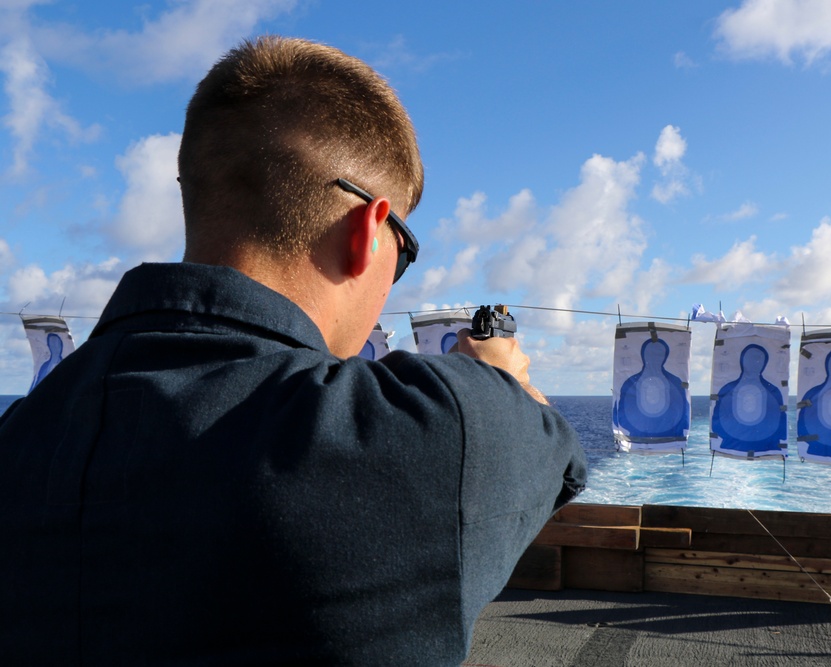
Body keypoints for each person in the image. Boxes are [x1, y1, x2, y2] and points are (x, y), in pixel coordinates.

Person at [0, 36, 587, 666]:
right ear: (367, 231)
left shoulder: (19, 436)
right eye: (405, 251)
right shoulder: (436, 432)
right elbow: (553, 451)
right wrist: (498, 376)